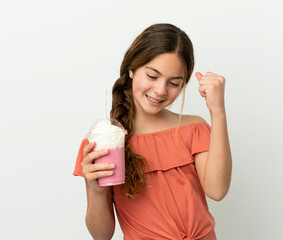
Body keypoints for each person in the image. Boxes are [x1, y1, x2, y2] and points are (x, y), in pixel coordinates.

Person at [73, 23, 232, 240]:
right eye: (152, 76)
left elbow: (217, 190)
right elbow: (102, 235)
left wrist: (218, 112)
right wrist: (96, 191)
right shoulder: (106, 142)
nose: (160, 90)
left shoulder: (194, 129)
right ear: (131, 69)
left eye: (174, 83)